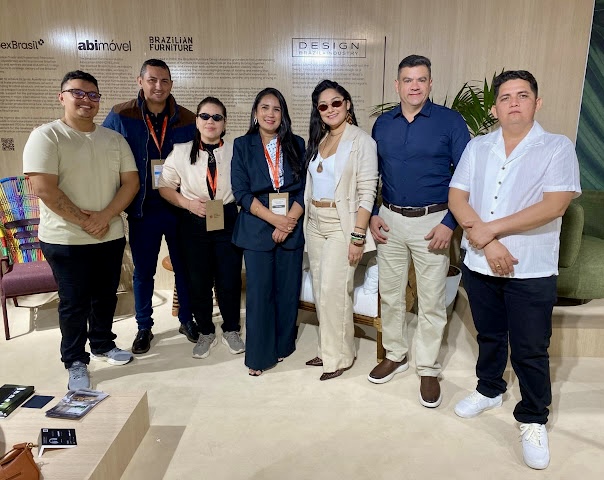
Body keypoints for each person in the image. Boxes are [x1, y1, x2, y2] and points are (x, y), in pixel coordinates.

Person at [449, 70, 580, 470]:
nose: (514, 103)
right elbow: (457, 197)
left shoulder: (557, 146)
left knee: (530, 347)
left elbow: (554, 205)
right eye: (505, 97)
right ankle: (489, 389)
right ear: (495, 109)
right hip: (480, 261)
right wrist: (488, 242)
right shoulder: (478, 146)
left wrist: (491, 230)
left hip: (531, 267)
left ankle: (533, 417)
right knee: (489, 334)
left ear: (537, 103)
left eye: (522, 95)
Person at [23, 70, 139, 389]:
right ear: (62, 97)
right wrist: (87, 221)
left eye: (93, 95)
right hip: (65, 239)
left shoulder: (113, 139)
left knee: (105, 296)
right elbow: (44, 188)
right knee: (74, 302)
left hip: (109, 235)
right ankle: (75, 360)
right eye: (78, 93)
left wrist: (105, 216)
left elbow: (131, 182)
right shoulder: (47, 136)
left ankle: (102, 343)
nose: (86, 100)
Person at [368, 55, 470, 407]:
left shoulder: (450, 122)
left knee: (430, 300)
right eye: (408, 80)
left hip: (434, 222)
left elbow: (466, 177)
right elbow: (373, 174)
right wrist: (373, 214)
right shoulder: (382, 124)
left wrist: (450, 223)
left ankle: (427, 367)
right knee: (390, 294)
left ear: (430, 84)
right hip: (389, 219)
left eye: (421, 79)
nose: (414, 86)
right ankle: (395, 354)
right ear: (397, 85)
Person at [102, 59, 197, 354]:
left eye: (164, 81)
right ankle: (144, 326)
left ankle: (186, 319)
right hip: (143, 208)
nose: (158, 86)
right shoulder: (121, 114)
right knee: (143, 272)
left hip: (179, 207)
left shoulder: (187, 118)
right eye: (152, 80)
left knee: (184, 268)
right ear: (140, 81)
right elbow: (103, 151)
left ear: (171, 84)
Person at [302, 80, 378, 380]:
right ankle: (328, 349)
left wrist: (358, 236)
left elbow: (367, 192)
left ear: (347, 103)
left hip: (341, 225)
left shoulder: (362, 141)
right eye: (323, 105)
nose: (330, 109)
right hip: (315, 223)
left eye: (336, 102)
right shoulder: (319, 139)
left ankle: (339, 358)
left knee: (334, 292)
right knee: (322, 290)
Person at [158, 97, 245, 359]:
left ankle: (231, 328)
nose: (210, 121)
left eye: (217, 117)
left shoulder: (236, 149)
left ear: (224, 123)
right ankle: (206, 330)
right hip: (194, 220)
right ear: (196, 121)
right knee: (199, 280)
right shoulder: (181, 151)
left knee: (229, 279)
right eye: (205, 116)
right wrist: (187, 203)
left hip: (227, 217)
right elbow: (164, 186)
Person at [231, 88, 305, 376]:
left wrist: (289, 220)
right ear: (255, 112)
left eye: (276, 109)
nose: (270, 114)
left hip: (291, 221)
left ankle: (283, 345)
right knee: (260, 293)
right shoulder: (242, 145)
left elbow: (306, 188)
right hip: (258, 224)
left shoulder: (297, 144)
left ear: (283, 114)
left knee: (287, 291)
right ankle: (259, 356)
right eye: (265, 107)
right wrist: (275, 220)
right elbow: (241, 192)